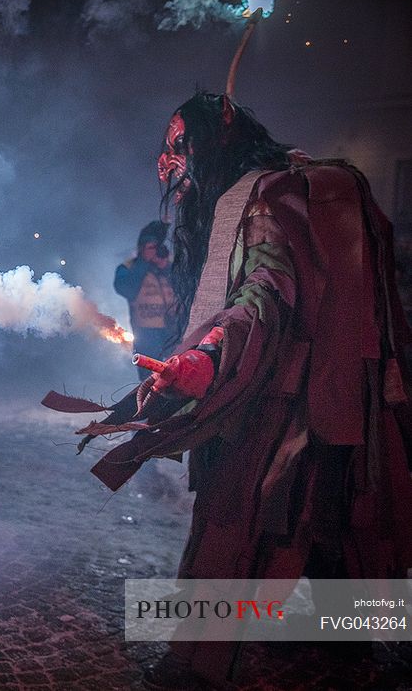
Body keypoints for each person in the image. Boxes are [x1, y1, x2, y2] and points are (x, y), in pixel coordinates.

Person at [46, 92, 412, 687]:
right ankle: (349, 641)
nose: (166, 164)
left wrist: (208, 359)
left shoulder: (264, 197)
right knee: (334, 513)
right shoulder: (307, 184)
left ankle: (198, 668)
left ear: (218, 138)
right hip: (347, 403)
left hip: (281, 408)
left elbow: (263, 293)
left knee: (237, 518)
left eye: (177, 144)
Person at [113, 220, 177, 379]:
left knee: (179, 375)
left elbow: (187, 287)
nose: (155, 251)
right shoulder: (127, 268)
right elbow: (127, 289)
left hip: (175, 330)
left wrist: (165, 267)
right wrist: (144, 262)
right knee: (150, 382)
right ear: (141, 248)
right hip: (147, 335)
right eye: (151, 247)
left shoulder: (169, 267)